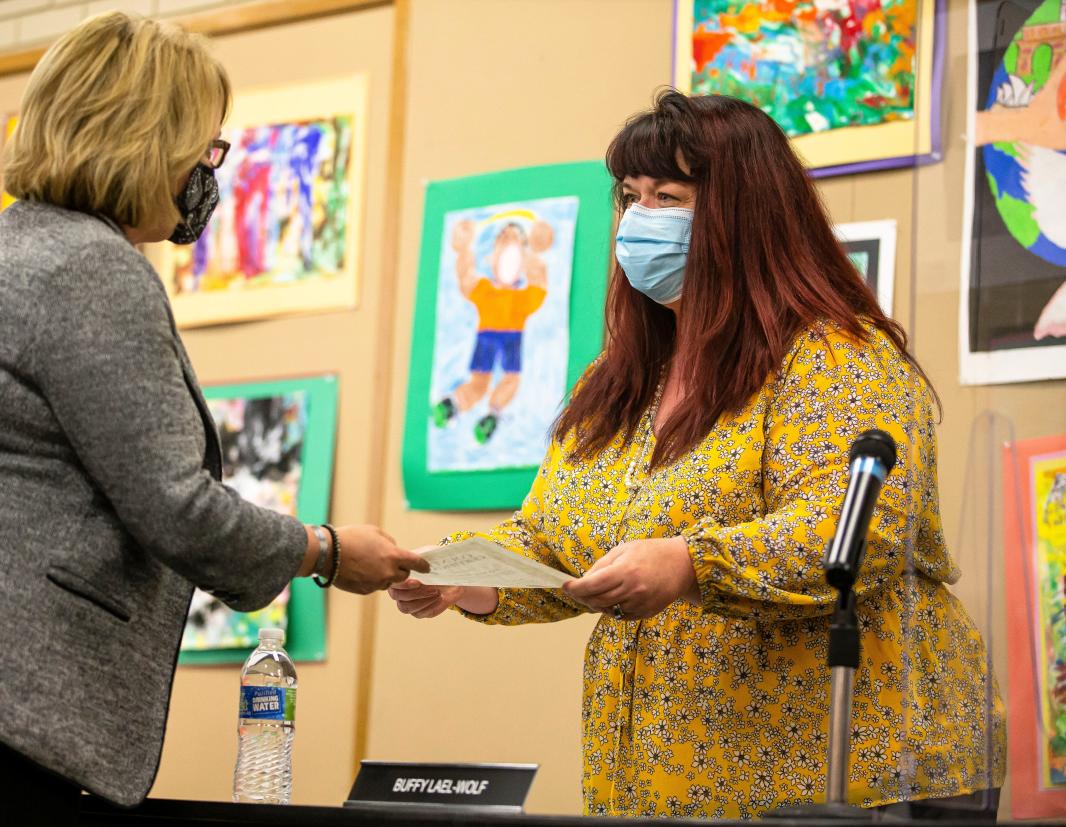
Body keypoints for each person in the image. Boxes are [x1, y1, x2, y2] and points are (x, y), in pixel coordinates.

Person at [0, 12, 427, 826]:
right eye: (207, 149)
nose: (209, 171)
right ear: (148, 138)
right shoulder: (91, 266)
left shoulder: (19, 248)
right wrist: (323, 549)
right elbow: (176, 507)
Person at [390, 90, 1006, 819]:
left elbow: (859, 529)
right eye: (630, 197)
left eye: (669, 196)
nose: (640, 219)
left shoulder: (836, 356)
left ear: (744, 213)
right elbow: (556, 541)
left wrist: (689, 563)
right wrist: (464, 574)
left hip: (852, 778)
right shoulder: (618, 379)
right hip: (662, 786)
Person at [432, 218, 553, 444]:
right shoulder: (488, 290)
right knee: (490, 381)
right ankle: (459, 405)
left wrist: (536, 253)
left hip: (504, 338)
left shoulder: (519, 296)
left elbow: (539, 287)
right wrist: (464, 249)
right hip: (495, 338)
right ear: (492, 258)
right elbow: (466, 279)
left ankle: (482, 411)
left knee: (504, 380)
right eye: (503, 243)